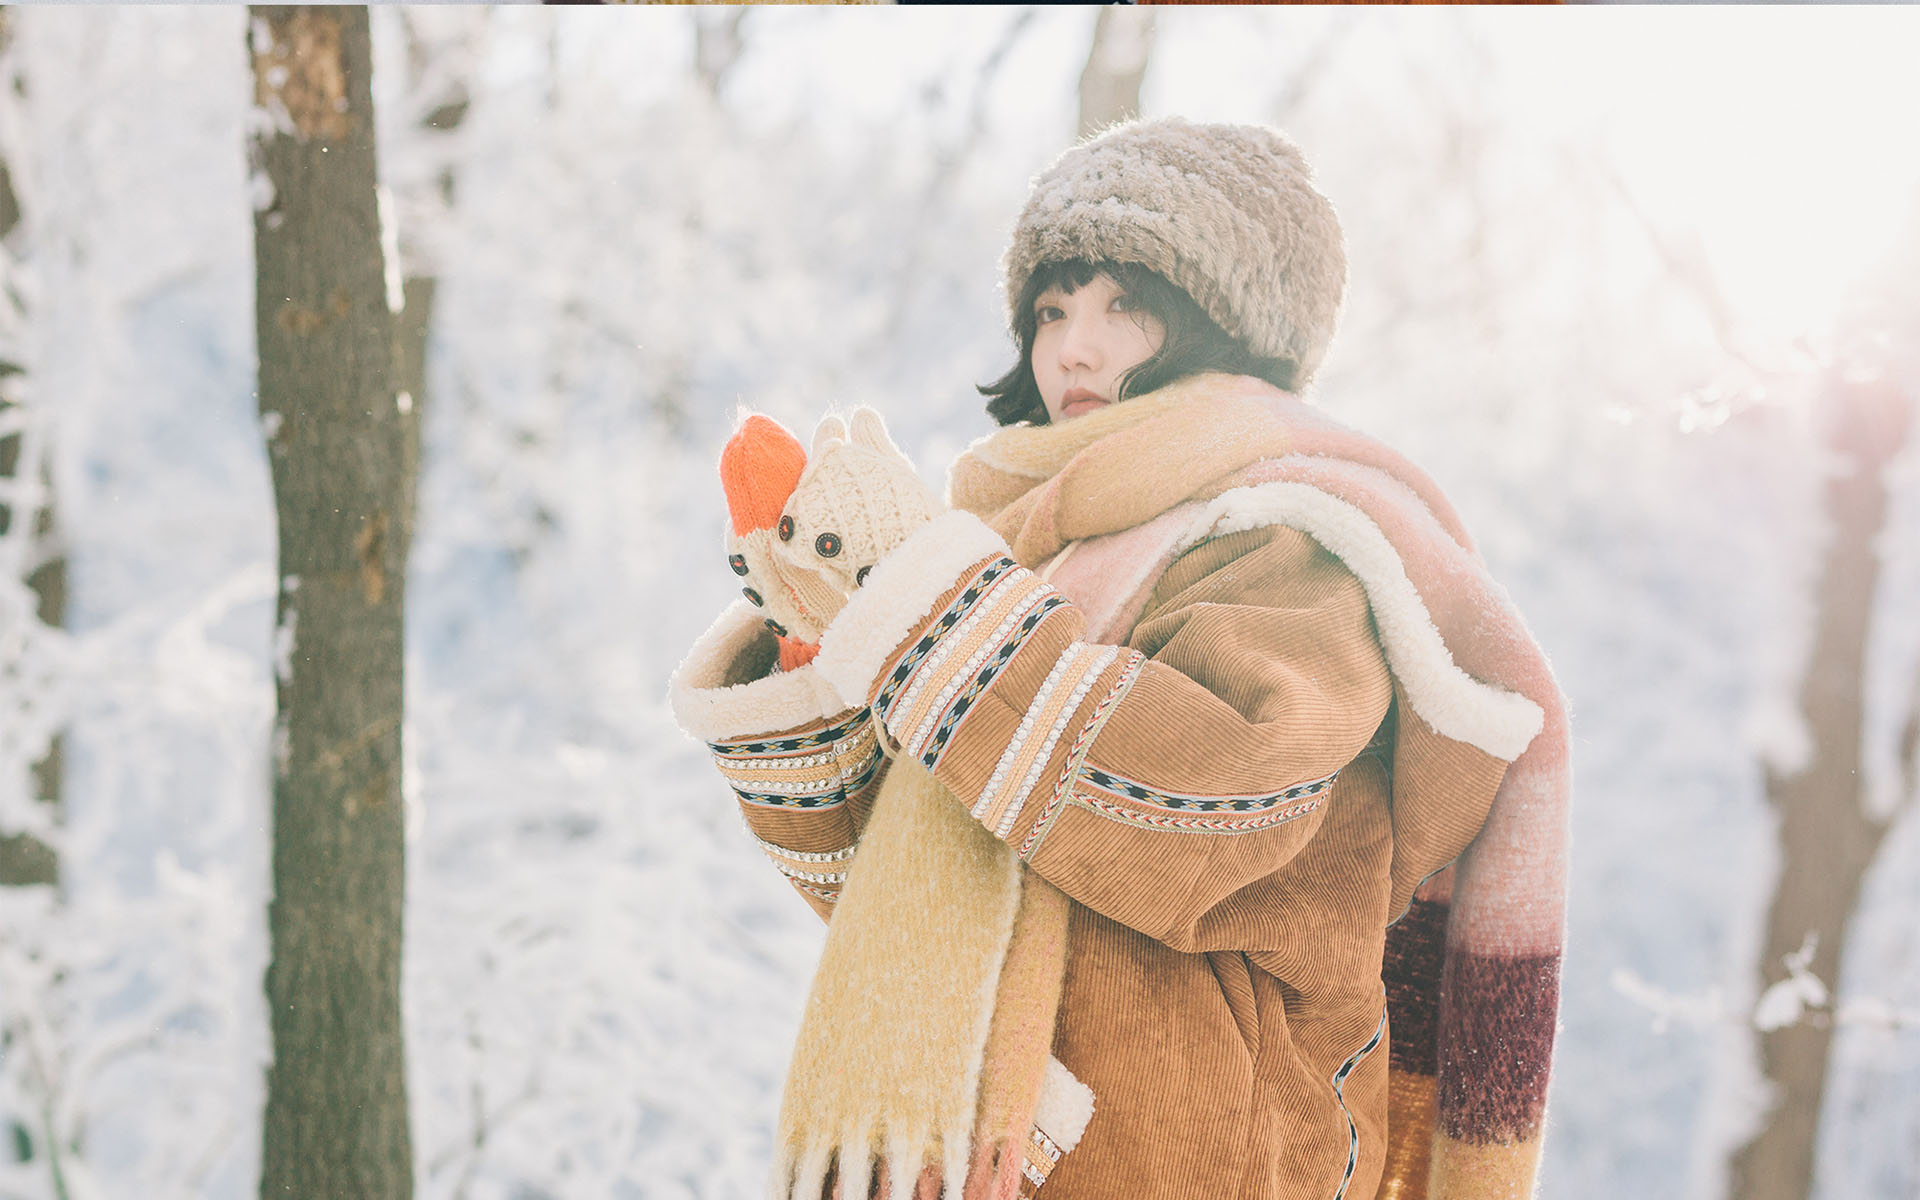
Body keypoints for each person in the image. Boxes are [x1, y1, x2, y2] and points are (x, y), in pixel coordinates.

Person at [671, 118, 1568, 1200]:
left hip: (1202, 1150)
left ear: (1231, 319)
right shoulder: (1021, 551)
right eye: (1051, 309)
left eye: (1124, 305)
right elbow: (882, 889)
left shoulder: (1289, 535)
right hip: (999, 1145)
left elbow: (1212, 801)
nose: (1072, 348)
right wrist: (826, 637)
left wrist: (921, 614)